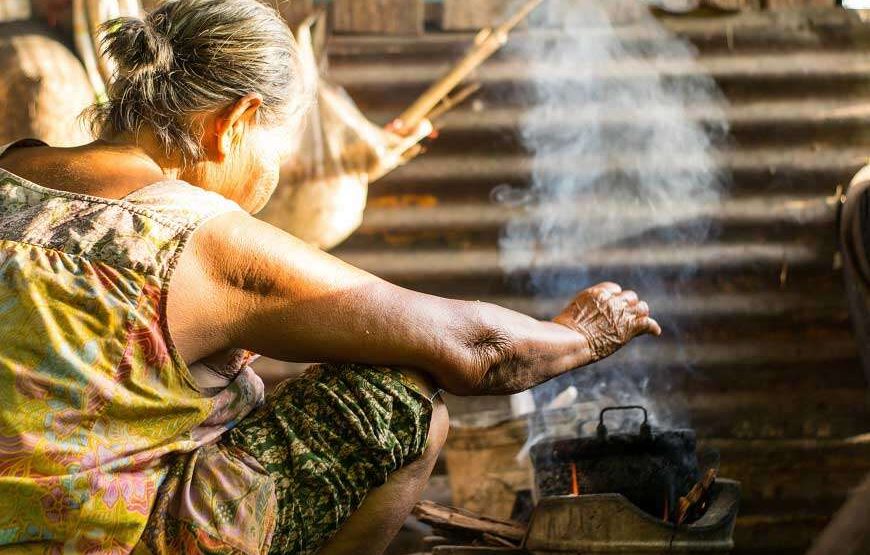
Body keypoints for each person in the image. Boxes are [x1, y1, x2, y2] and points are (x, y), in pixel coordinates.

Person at [0, 0, 661, 553]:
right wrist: (581, 333)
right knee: (402, 398)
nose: (272, 181)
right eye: (277, 157)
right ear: (233, 125)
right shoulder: (194, 237)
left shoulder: (15, 164)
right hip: (95, 539)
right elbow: (474, 347)